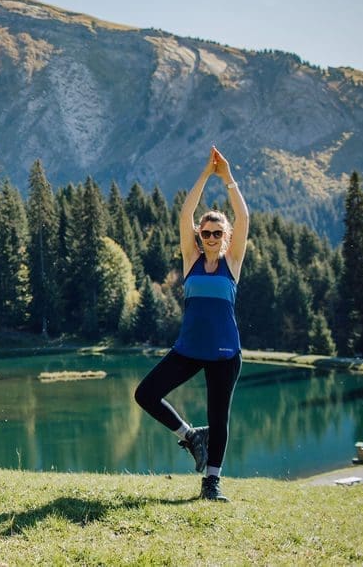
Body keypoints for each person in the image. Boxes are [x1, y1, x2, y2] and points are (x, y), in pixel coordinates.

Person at [134, 146, 249, 501]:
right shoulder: (191, 260)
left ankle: (211, 483)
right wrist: (204, 174)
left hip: (226, 353)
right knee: (146, 394)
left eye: (217, 233)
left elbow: (243, 217)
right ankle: (189, 435)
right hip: (188, 349)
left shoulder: (232, 263)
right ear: (199, 235)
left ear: (226, 238)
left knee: (219, 419)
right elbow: (185, 214)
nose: (211, 237)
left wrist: (227, 178)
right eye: (206, 232)